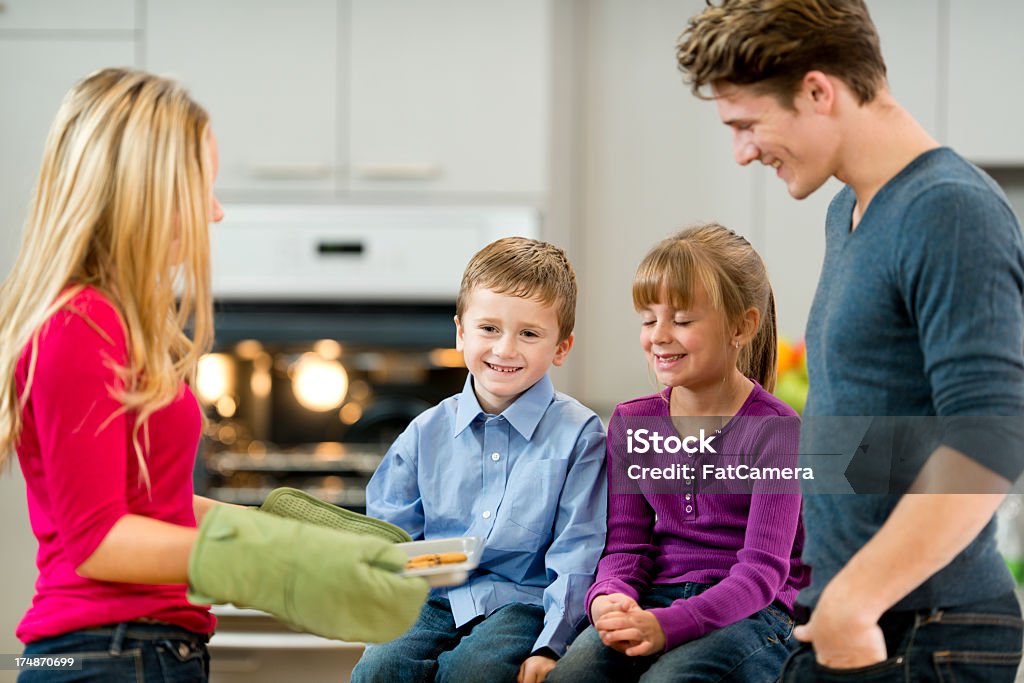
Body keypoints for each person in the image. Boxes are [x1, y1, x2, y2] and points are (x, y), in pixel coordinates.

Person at [0, 67, 426, 682]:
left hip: (140, 652)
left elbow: (152, 506)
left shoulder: (112, 321)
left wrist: (290, 530)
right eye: (201, 188)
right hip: (108, 656)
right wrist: (278, 558)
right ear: (145, 190)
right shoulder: (78, 324)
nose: (216, 212)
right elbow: (99, 541)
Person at [677, 1, 1024, 680]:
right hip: (854, 616)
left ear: (817, 90)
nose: (743, 151)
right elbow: (882, 421)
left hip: (925, 629)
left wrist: (855, 600)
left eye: (748, 124)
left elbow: (989, 436)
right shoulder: (850, 210)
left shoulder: (949, 209)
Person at [547, 224, 807, 682]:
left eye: (682, 321)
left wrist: (669, 627)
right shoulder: (632, 424)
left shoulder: (777, 431)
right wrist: (610, 595)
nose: (659, 336)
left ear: (742, 326)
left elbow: (762, 575)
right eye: (648, 320)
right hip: (654, 600)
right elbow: (626, 544)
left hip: (754, 615)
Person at [351, 237, 608, 683]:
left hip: (523, 601)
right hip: (431, 597)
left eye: (529, 333)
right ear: (460, 332)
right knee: (380, 668)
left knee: (471, 672)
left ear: (561, 347)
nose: (505, 349)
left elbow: (578, 551)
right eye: (489, 328)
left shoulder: (580, 434)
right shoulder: (424, 432)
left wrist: (553, 644)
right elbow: (392, 540)